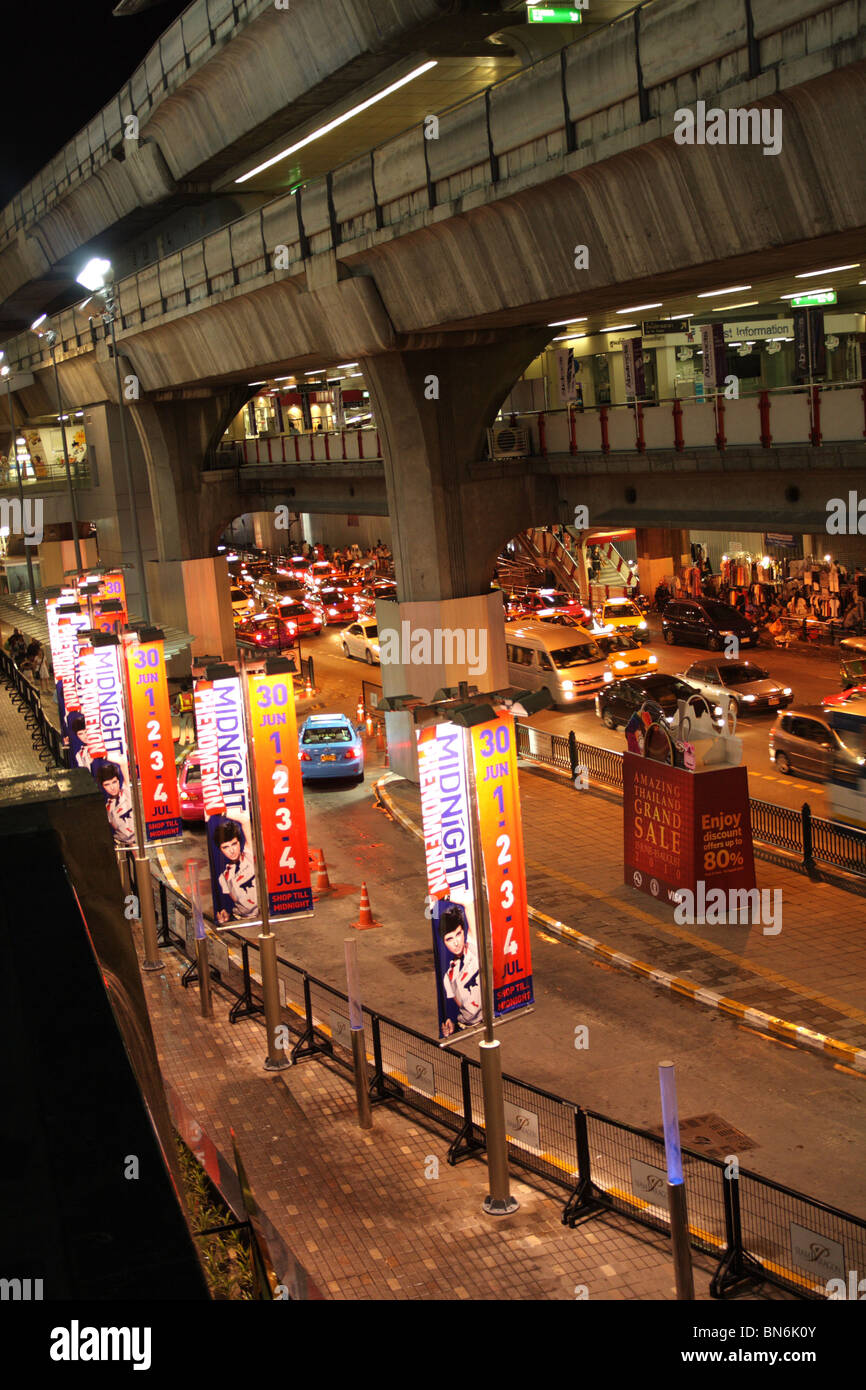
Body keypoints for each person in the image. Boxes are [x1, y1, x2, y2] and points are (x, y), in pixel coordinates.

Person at [438, 906, 481, 1037]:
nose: (456, 943)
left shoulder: (475, 950)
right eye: (449, 939)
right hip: (467, 1027)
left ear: (464, 932)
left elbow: (470, 906)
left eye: (458, 934)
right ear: (444, 942)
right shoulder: (449, 976)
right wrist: (453, 1026)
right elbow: (464, 1009)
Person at [212, 817, 257, 923]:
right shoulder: (224, 877)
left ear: (239, 842)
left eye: (234, 844)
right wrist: (226, 916)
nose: (231, 850)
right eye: (225, 847)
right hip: (242, 920)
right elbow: (235, 903)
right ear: (220, 850)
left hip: (265, 914)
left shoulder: (249, 855)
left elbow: (245, 821)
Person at [96, 762, 136, 845]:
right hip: (122, 844)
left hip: (139, 840)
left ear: (118, 781)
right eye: (107, 784)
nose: (112, 787)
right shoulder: (108, 807)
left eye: (114, 782)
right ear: (103, 787)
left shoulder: (127, 792)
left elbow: (123, 763)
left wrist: (105, 756)